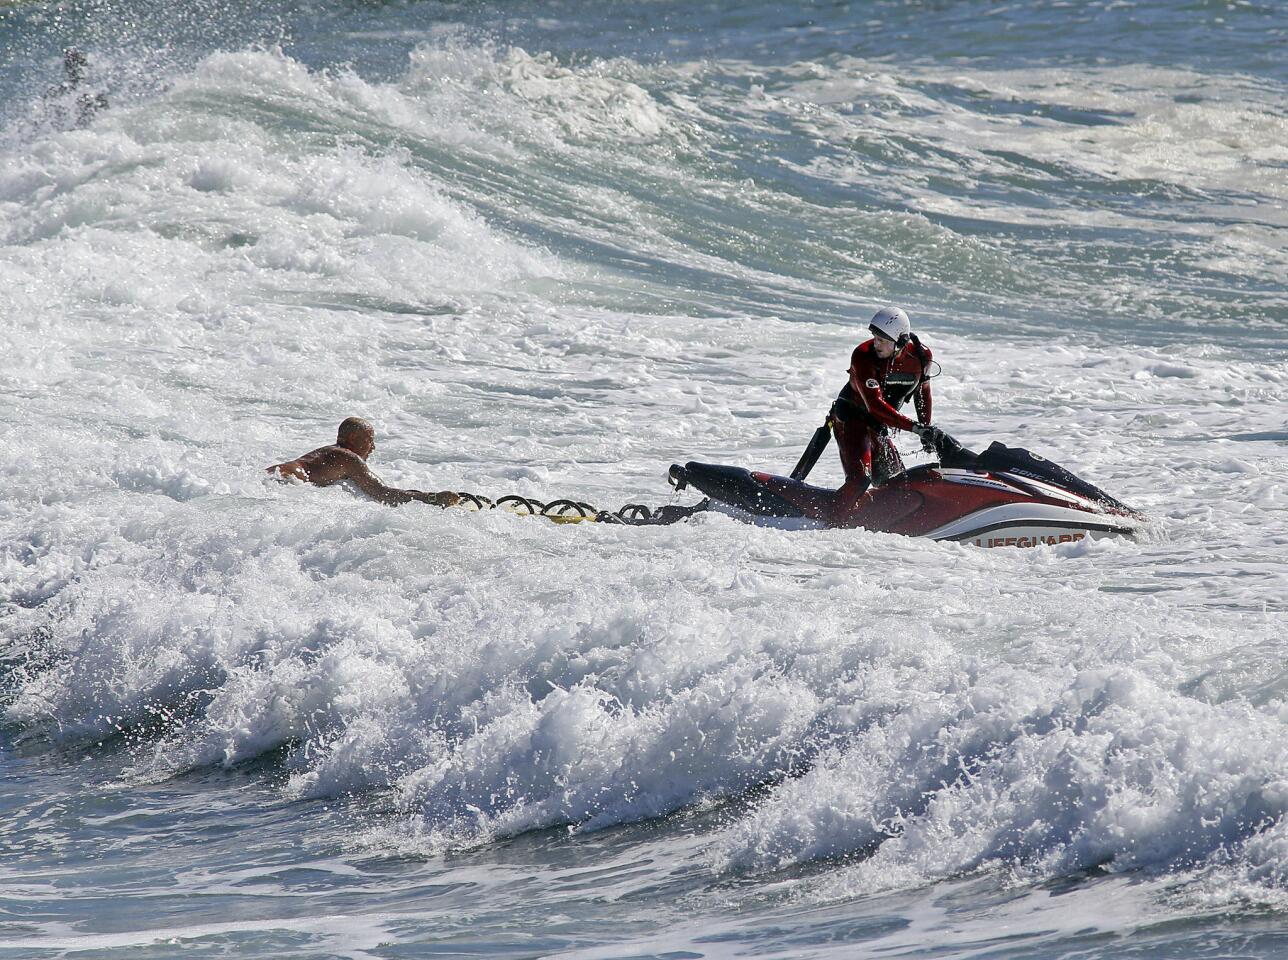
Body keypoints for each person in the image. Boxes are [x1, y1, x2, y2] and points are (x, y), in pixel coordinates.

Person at [831, 306, 945, 493]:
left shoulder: (921, 356)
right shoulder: (863, 355)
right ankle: (832, 522)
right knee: (860, 480)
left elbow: (923, 392)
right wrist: (916, 428)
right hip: (852, 418)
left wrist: (926, 428)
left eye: (882, 340)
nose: (876, 344)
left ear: (900, 341)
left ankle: (889, 520)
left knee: (896, 484)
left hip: (879, 425)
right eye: (875, 338)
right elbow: (875, 406)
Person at [267, 417, 459, 507]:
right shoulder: (348, 457)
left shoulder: (327, 453)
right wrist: (431, 498)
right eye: (370, 440)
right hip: (287, 481)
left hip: (272, 475)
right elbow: (383, 493)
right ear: (352, 438)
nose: (373, 447)